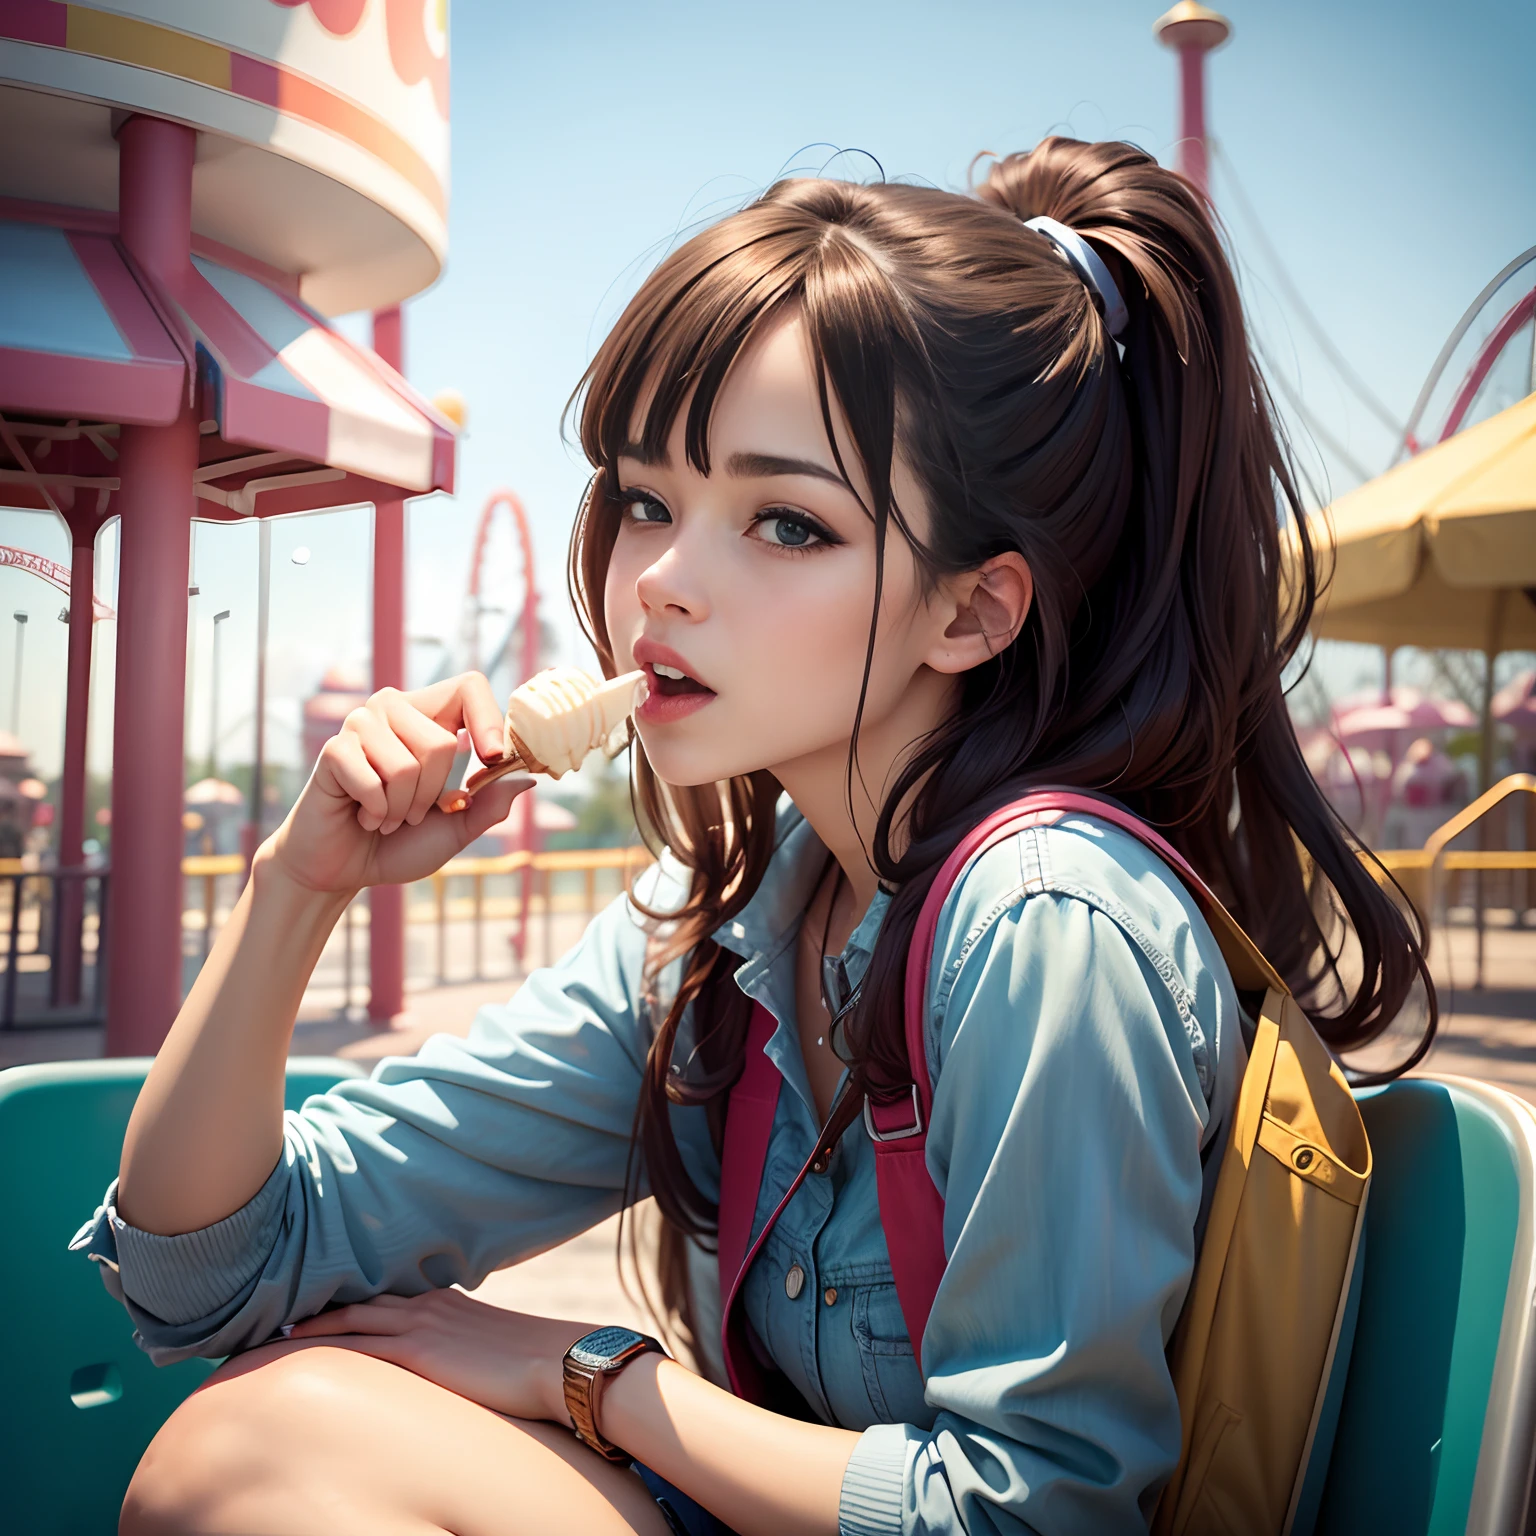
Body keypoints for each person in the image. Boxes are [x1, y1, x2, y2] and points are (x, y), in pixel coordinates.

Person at [76, 138, 1428, 1536]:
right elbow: (206, 1276)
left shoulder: (1047, 923)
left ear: (971, 612)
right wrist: (299, 886)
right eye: (648, 499)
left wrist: (579, 1372)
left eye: (786, 523)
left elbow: (1037, 1516)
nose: (662, 579)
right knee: (253, 1436)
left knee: (256, 1451)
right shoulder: (723, 931)